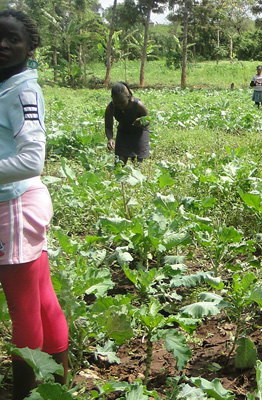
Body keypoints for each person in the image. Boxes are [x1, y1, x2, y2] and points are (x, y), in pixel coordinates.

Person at [0, 10, 70, 399]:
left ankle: (26, 395)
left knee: (24, 308)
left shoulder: (23, 91)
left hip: (14, 206)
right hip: (20, 202)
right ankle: (57, 388)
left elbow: (31, 159)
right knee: (41, 299)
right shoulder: (8, 85)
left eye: (13, 39)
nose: (3, 46)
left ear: (30, 47)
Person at [105, 82, 151, 164]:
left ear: (129, 97)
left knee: (137, 161)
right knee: (120, 162)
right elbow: (108, 126)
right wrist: (110, 139)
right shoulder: (110, 107)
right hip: (123, 132)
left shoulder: (138, 105)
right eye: (116, 102)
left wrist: (140, 122)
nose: (119, 105)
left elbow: (148, 120)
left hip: (139, 132)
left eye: (122, 102)